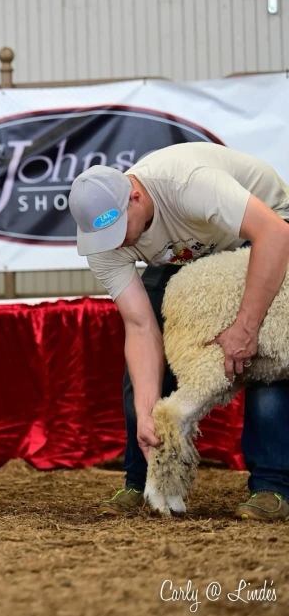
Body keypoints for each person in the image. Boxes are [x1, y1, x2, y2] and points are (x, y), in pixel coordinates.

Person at [69, 141, 289, 520]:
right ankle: (143, 479)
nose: (118, 243)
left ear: (135, 196)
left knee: (266, 353)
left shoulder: (188, 183)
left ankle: (272, 487)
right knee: (145, 374)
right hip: (187, 255)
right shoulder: (104, 240)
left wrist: (245, 327)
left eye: (121, 229)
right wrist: (145, 411)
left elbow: (274, 234)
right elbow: (140, 327)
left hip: (263, 231)